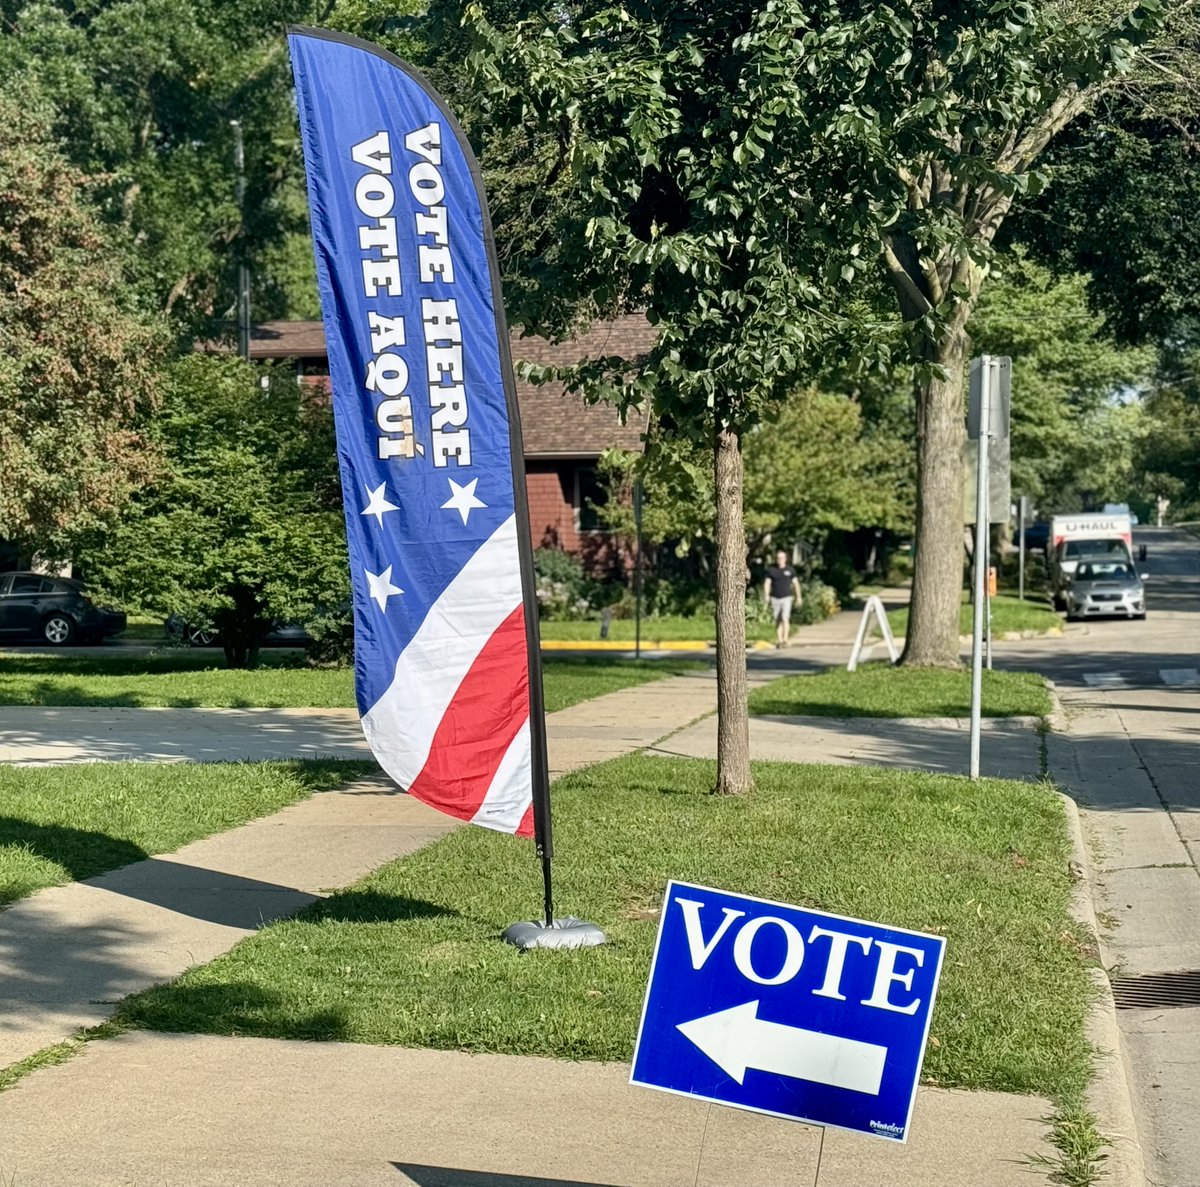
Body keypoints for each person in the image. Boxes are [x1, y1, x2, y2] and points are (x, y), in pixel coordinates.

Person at [763, 549, 802, 648]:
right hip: (775, 598)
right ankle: (779, 640)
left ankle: (785, 639)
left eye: (782, 558)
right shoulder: (771, 570)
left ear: (785, 559)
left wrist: (798, 597)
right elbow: (767, 583)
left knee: (785, 618)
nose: (780, 559)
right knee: (777, 619)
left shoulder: (790, 570)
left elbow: (796, 584)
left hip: (787, 598)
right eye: (778, 558)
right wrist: (766, 595)